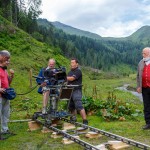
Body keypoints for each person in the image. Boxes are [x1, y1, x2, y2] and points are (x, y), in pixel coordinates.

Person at [67, 58, 88, 126]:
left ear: (77, 64)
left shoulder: (78, 71)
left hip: (77, 90)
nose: (72, 64)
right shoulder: (70, 72)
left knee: (78, 105)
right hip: (70, 90)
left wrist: (64, 77)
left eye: (73, 63)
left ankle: (85, 121)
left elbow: (72, 78)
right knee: (71, 106)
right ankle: (73, 119)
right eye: (71, 63)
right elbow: (67, 81)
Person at [0, 50, 14, 136]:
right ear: (3, 57)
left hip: (6, 95)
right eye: (7, 59)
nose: (8, 61)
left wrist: (12, 76)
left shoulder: (5, 70)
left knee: (6, 114)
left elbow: (8, 82)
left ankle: (5, 129)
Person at [137, 47, 150, 130]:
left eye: (144, 53)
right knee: (146, 106)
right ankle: (148, 123)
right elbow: (138, 76)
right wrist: (138, 86)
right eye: (142, 53)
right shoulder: (141, 62)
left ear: (149, 54)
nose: (143, 55)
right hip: (144, 88)